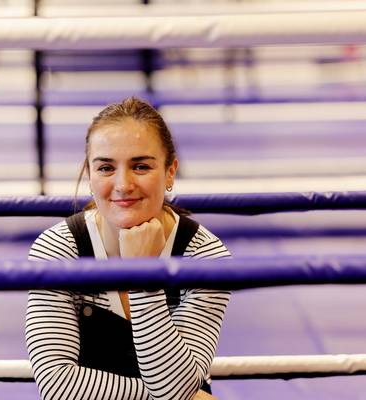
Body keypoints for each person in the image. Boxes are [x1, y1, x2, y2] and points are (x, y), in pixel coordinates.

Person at [25, 97, 231, 400]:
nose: (123, 184)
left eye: (141, 166)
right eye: (106, 167)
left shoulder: (203, 256)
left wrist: (142, 279)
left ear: (170, 172)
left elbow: (175, 389)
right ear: (90, 175)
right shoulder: (58, 249)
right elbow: (59, 387)